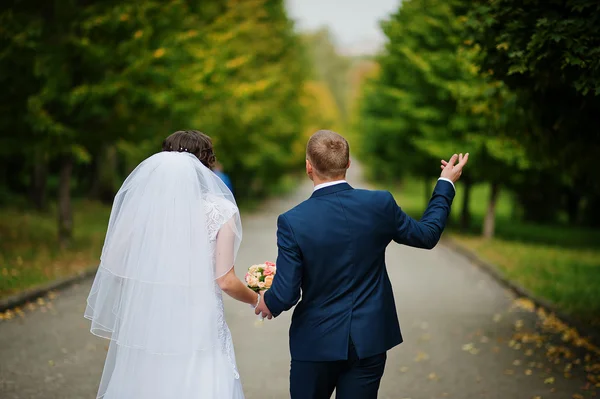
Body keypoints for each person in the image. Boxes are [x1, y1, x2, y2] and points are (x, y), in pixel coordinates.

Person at [254, 130, 469, 399]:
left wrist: (267, 301)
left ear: (309, 166)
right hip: (369, 340)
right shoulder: (380, 204)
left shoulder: (292, 221)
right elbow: (426, 236)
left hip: (316, 343)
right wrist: (445, 183)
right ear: (348, 164)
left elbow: (286, 294)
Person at [84, 130, 259, 399]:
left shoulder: (142, 209)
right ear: (206, 163)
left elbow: (115, 262)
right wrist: (256, 299)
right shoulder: (220, 211)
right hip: (199, 322)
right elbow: (225, 280)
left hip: (149, 316)